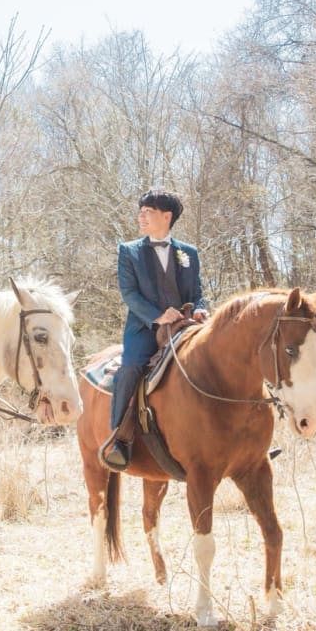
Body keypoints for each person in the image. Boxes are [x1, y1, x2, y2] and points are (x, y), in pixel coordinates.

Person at [101, 189, 208, 471]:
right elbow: (129, 294)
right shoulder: (129, 251)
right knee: (131, 369)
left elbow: (197, 292)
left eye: (148, 212)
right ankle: (119, 440)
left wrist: (200, 308)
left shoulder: (189, 253)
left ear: (166, 216)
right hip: (144, 329)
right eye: (141, 212)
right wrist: (158, 316)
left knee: (219, 361)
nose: (141, 217)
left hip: (185, 326)